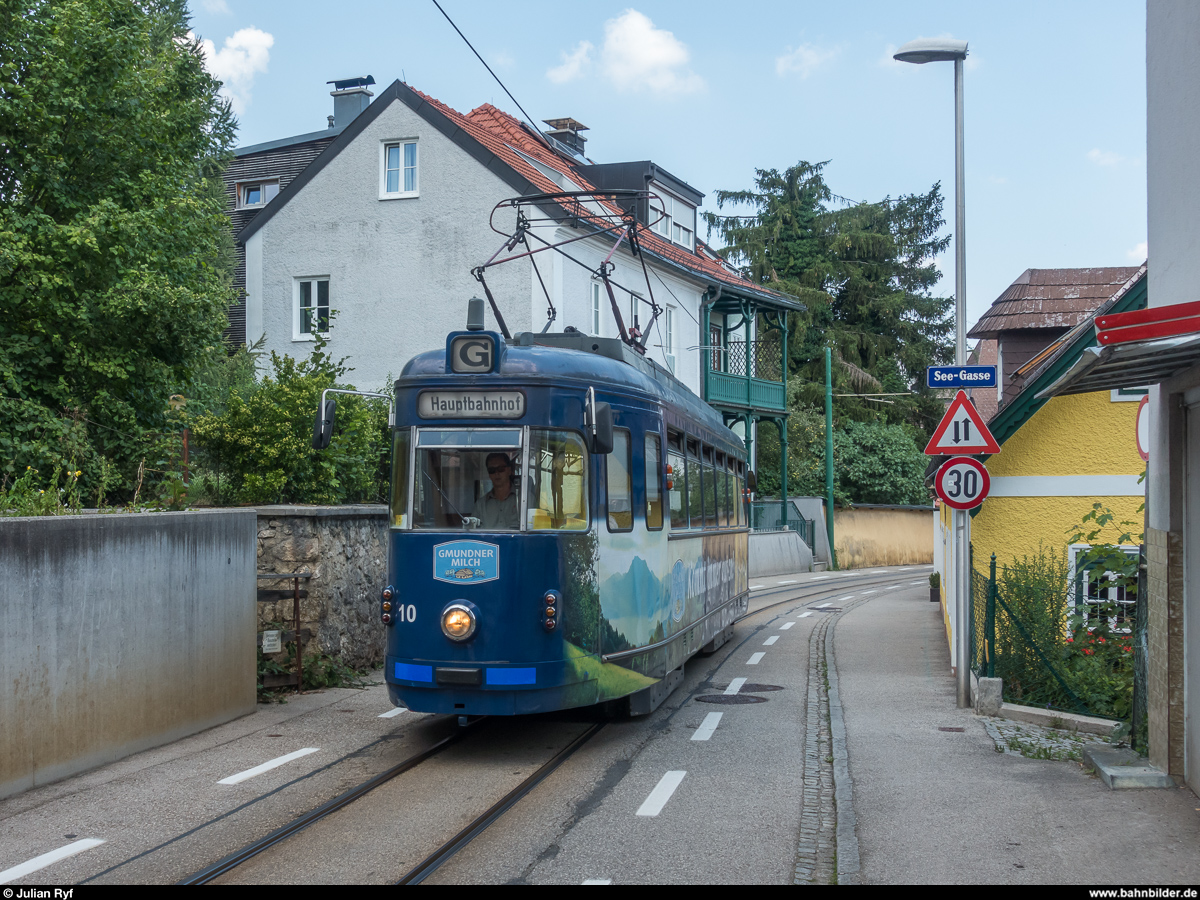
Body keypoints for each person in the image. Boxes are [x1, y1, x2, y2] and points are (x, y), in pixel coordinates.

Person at [474, 452, 519, 529]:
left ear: (509, 470)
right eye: (492, 470)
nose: (496, 473)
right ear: (489, 474)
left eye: (501, 469)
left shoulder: (525, 500)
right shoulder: (480, 505)